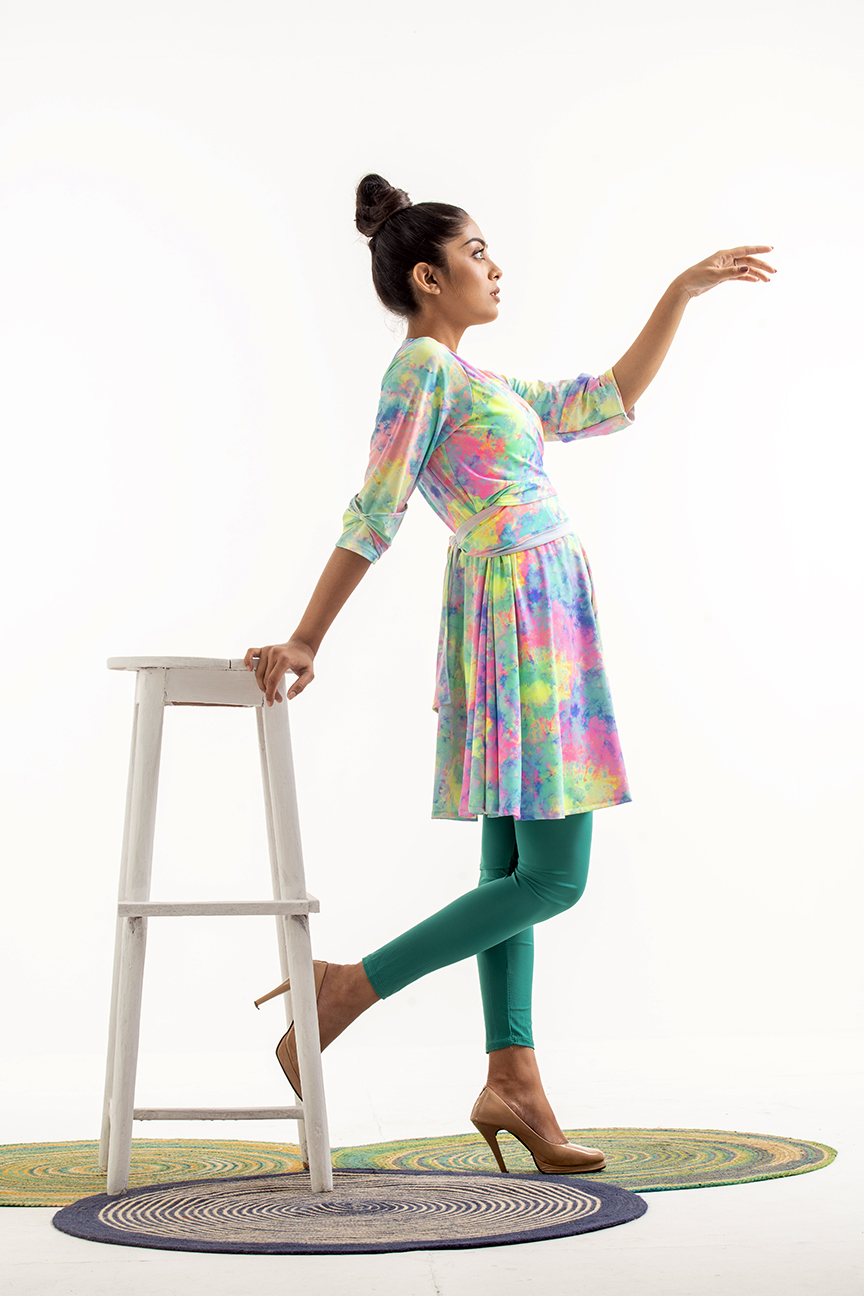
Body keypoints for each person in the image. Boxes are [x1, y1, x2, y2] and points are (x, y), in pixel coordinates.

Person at [245, 173, 775, 1173]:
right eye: (476, 252)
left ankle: (513, 1082)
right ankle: (348, 988)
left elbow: (604, 399)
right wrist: (308, 637)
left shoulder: (477, 381)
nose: (495, 267)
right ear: (426, 276)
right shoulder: (421, 372)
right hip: (521, 618)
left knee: (510, 875)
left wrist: (681, 290)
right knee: (554, 878)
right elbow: (375, 510)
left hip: (533, 613)